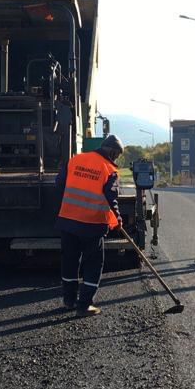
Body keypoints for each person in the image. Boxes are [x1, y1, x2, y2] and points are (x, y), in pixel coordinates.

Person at [55, 135, 124, 317]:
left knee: (69, 261)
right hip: (92, 224)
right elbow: (111, 199)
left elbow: (59, 183)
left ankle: (69, 301)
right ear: (112, 151)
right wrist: (118, 219)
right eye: (117, 155)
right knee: (93, 263)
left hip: (68, 220)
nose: (116, 159)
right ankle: (84, 305)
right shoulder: (108, 169)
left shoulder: (75, 160)